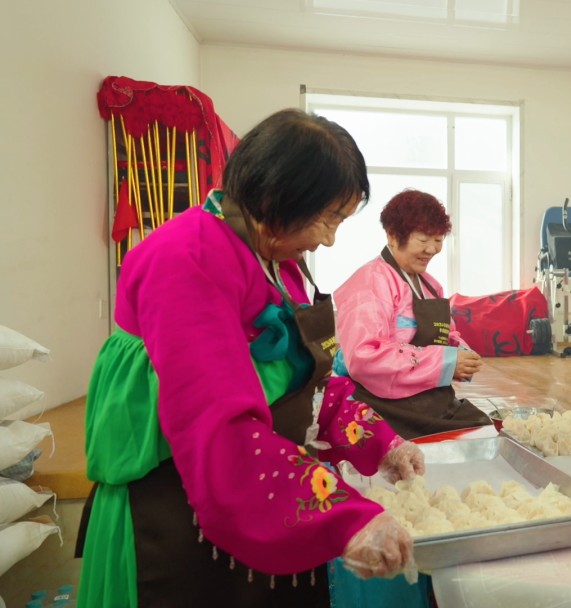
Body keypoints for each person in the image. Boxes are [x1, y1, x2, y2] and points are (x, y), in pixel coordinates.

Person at [77, 108, 426, 607]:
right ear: (275, 198)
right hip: (178, 506)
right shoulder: (184, 259)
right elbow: (216, 424)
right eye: (328, 218)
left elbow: (310, 384)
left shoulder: (278, 262)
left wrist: (382, 443)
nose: (329, 239)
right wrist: (343, 518)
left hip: (262, 479)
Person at [333, 189, 490, 440]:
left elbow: (446, 333)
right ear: (393, 235)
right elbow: (364, 357)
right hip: (386, 406)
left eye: (438, 239)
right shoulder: (370, 282)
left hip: (430, 398)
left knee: (486, 432)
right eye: (423, 239)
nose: (432, 249)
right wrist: (446, 363)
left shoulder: (430, 285)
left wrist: (460, 351)